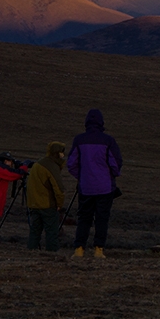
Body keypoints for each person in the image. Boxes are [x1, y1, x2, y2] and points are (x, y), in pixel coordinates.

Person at [67, 109, 122, 259]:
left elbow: (71, 163)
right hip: (105, 187)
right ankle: (98, 250)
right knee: (102, 218)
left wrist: (83, 175)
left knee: (84, 218)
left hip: (86, 187)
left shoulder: (79, 140)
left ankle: (79, 249)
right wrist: (111, 175)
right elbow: (116, 163)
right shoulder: (108, 140)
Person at [26, 141, 67, 251]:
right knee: (52, 232)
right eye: (62, 153)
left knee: (35, 231)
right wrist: (59, 204)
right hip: (47, 204)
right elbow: (58, 188)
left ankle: (31, 251)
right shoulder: (51, 166)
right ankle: (52, 254)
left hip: (34, 203)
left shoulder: (39, 164)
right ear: (57, 153)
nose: (63, 155)